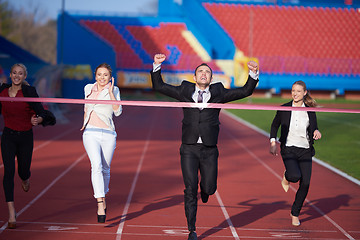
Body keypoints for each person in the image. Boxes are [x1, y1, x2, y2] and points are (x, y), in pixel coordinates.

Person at [151, 53, 259, 240]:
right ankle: (191, 229)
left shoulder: (219, 92)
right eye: (200, 71)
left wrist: (253, 73)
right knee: (190, 189)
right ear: (194, 77)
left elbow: (245, 92)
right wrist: (156, 66)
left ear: (211, 78)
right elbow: (159, 86)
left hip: (209, 150)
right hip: (189, 148)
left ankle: (206, 189)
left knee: (209, 188)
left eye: (207, 72)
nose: (203, 74)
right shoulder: (184, 90)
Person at [0, 63, 56, 229]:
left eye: (20, 74)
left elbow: (44, 113)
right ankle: (12, 212)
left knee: (22, 171)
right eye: (14, 73)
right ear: (10, 75)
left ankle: (25, 177)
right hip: (8, 137)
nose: (17, 76)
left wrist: (38, 119)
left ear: (24, 76)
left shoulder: (29, 92)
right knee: (8, 172)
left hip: (25, 137)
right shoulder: (2, 92)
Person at [269, 80, 322, 227]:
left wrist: (316, 132)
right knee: (294, 176)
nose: (295, 94)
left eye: (298, 91)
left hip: (305, 150)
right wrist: (273, 142)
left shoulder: (310, 110)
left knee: (305, 183)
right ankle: (287, 176)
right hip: (289, 148)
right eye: (293, 91)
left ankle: (295, 213)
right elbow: (274, 125)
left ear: (305, 93)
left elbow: (314, 128)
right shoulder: (284, 108)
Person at [81, 63, 122, 223]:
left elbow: (118, 112)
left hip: (108, 133)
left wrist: (111, 93)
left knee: (105, 169)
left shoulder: (115, 89)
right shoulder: (87, 88)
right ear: (95, 75)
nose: (102, 78)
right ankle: (100, 202)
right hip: (90, 131)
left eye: (105, 75)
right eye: (99, 74)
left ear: (110, 77)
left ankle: (103, 196)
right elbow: (86, 108)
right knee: (96, 165)